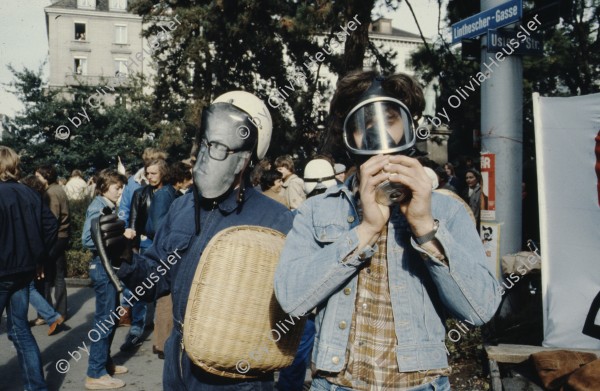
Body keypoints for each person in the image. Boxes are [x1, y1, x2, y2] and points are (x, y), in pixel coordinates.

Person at [274, 71, 501, 390]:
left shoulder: (447, 211)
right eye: (363, 123)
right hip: (337, 384)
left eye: (390, 119)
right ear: (349, 136)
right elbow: (291, 298)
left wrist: (424, 226)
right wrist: (364, 231)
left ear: (410, 125)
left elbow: (480, 308)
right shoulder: (317, 209)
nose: (377, 132)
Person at [97, 91, 294, 389]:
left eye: (221, 145)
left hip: (236, 375)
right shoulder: (182, 207)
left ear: (247, 155)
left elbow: (293, 303)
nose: (209, 153)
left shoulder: (276, 221)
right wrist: (124, 255)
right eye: (207, 142)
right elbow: (155, 281)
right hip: (179, 363)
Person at [0, 146, 58, 391]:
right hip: (23, 272)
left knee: (20, 331)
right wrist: (38, 258)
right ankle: (36, 387)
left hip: (3, 272)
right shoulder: (29, 193)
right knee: (21, 330)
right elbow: (51, 226)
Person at [82, 169, 129, 389]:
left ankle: (104, 363)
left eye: (121, 187)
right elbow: (87, 239)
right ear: (103, 186)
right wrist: (118, 236)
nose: (119, 191)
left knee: (110, 319)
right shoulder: (98, 207)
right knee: (104, 321)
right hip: (103, 267)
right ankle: (95, 372)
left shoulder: (107, 206)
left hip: (107, 267)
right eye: (116, 187)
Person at [120, 158, 171, 351]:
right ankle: (135, 330)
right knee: (141, 287)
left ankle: (165, 333)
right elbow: (133, 222)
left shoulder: (172, 194)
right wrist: (133, 249)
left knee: (166, 289)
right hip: (146, 243)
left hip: (167, 245)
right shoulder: (140, 194)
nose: (149, 177)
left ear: (163, 173)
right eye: (147, 173)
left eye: (154, 173)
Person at [20, 175, 66, 335]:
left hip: (26, 251)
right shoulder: (38, 201)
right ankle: (52, 316)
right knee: (28, 286)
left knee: (26, 285)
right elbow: (51, 224)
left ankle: (51, 316)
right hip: (34, 250)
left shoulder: (28, 202)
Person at [36, 164, 70, 321]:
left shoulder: (51, 193)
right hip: (62, 236)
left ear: (46, 176)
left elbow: (51, 221)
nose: (36, 179)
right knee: (58, 275)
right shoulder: (58, 189)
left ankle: (46, 313)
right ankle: (61, 311)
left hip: (54, 238)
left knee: (45, 277)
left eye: (38, 176)